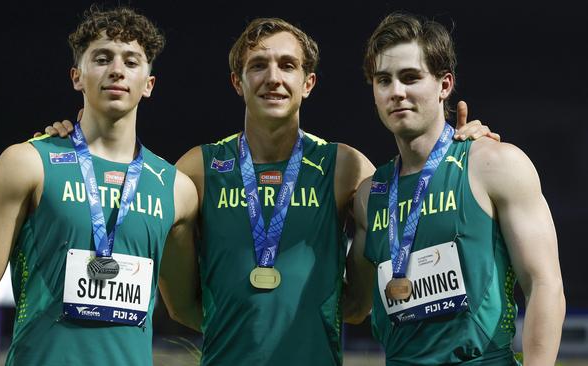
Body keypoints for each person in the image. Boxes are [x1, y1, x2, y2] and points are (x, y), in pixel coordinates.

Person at [43, 17, 494, 366]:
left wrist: (457, 145)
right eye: (257, 66)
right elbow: (179, 303)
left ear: (308, 83)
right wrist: (73, 138)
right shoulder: (197, 169)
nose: (273, 77)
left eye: (288, 65)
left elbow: (363, 295)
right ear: (238, 82)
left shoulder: (344, 167)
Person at [0, 6, 198, 366]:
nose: (117, 70)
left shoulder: (177, 189)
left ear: (148, 85)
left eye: (131, 62)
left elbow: (184, 307)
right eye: (102, 59)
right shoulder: (29, 163)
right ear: (76, 77)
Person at [344, 13, 565, 365]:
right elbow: (355, 307)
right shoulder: (370, 195)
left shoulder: (495, 164)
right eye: (383, 80)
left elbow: (544, 284)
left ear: (444, 85)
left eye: (411, 77)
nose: (397, 91)